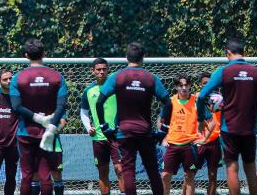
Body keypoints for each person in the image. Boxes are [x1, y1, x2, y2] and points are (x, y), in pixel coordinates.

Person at [96, 42, 169, 195]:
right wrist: (164, 129)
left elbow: (99, 102)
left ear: (126, 57)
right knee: (152, 170)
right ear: (144, 58)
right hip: (145, 132)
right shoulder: (150, 78)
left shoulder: (118, 77)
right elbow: (168, 103)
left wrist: (104, 127)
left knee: (128, 169)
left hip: (124, 132)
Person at [196, 39, 257, 195]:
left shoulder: (223, 71)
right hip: (249, 129)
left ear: (228, 53)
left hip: (229, 129)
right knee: (250, 168)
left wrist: (201, 118)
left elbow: (201, 97)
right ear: (244, 52)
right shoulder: (256, 72)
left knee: (232, 168)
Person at [10, 39, 68, 195]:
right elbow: (61, 106)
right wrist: (51, 125)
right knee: (45, 175)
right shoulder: (57, 77)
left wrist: (37, 117)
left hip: (25, 133)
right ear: (44, 53)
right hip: (48, 132)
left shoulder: (18, 78)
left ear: (26, 55)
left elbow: (16, 107)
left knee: (27, 176)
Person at [80, 58, 124, 195]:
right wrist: (88, 127)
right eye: (98, 69)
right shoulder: (88, 91)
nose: (101, 72)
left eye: (104, 69)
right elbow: (83, 112)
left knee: (120, 169)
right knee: (103, 171)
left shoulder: (116, 88)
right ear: (93, 71)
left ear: (108, 70)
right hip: (98, 137)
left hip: (117, 136)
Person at [157, 74, 203, 195]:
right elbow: (160, 121)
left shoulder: (196, 101)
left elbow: (207, 120)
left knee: (189, 176)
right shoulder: (170, 102)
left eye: (186, 85)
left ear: (190, 86)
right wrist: (164, 137)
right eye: (180, 85)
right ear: (176, 87)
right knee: (165, 175)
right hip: (172, 145)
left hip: (190, 145)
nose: (183, 88)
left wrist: (200, 136)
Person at [193, 73, 222, 195]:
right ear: (200, 84)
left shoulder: (220, 99)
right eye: (204, 83)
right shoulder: (196, 98)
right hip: (198, 142)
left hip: (214, 141)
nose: (207, 86)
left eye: (209, 83)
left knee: (212, 175)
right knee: (189, 174)